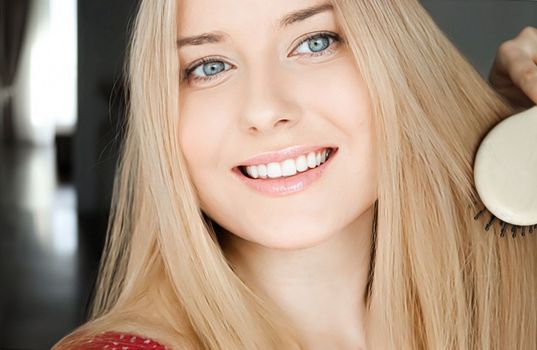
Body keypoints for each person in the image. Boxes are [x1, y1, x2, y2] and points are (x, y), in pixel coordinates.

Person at [53, 1, 537, 349]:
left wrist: (512, 154)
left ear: (400, 62)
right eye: (209, 66)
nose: (265, 109)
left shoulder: (511, 301)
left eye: (315, 42)